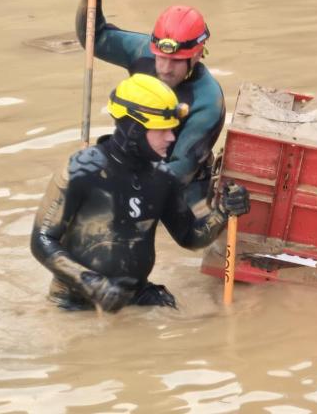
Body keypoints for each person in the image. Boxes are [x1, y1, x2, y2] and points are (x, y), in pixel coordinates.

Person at [31, 74, 249, 312]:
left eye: (172, 130)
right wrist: (90, 283)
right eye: (162, 130)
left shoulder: (163, 178)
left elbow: (190, 237)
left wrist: (223, 212)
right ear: (133, 129)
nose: (171, 138)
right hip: (74, 303)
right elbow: (42, 240)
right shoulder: (81, 170)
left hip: (136, 296)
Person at [76, 0, 225, 209]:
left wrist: (114, 193)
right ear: (154, 48)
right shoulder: (143, 50)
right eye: (160, 58)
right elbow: (94, 38)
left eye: (177, 61)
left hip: (181, 192)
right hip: (136, 165)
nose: (165, 69)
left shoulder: (207, 102)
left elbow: (178, 171)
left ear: (198, 55)